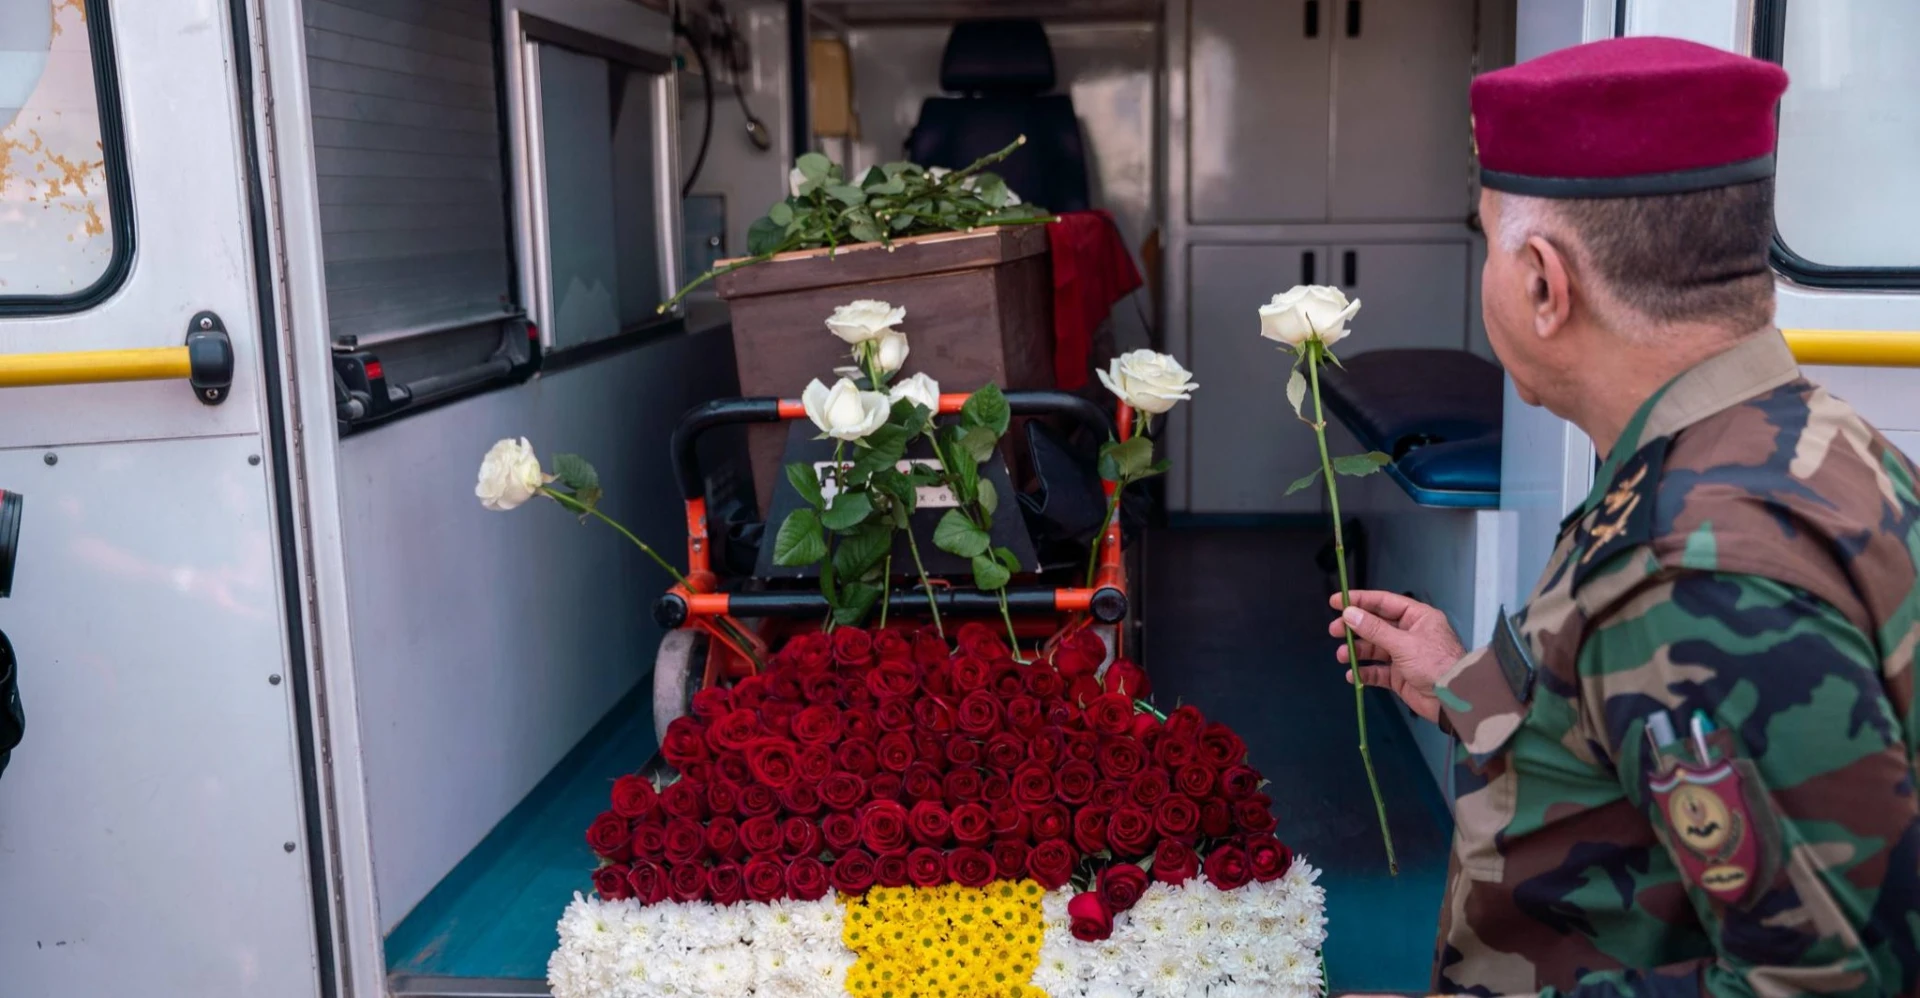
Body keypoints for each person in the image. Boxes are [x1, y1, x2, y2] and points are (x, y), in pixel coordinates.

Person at [1333, 35, 1920, 998]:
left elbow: (1817, 982)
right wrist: (1466, 690)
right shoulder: (1801, 440)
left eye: (1486, 241)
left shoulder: (1694, 569)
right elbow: (1635, 728)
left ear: (1544, 284)